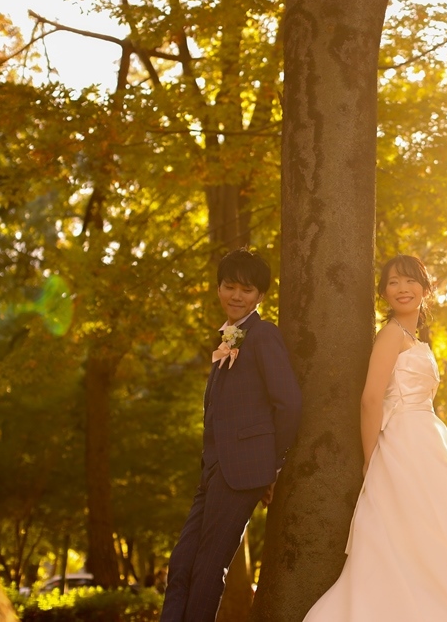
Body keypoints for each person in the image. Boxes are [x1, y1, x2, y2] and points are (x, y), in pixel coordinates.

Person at [303, 255, 447, 621]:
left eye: (411, 281)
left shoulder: (415, 339)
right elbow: (370, 400)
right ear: (383, 293)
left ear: (426, 290)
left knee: (442, 533)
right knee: (405, 534)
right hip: (400, 442)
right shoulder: (391, 335)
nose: (402, 289)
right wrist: (370, 459)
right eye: (393, 282)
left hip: (428, 442)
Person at [160, 249, 302, 622]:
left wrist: (272, 467)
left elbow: (288, 404)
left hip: (242, 472)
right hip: (212, 470)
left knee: (208, 568)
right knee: (180, 565)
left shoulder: (264, 335)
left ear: (260, 296)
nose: (236, 296)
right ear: (219, 288)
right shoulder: (229, 339)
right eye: (229, 286)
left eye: (246, 289)